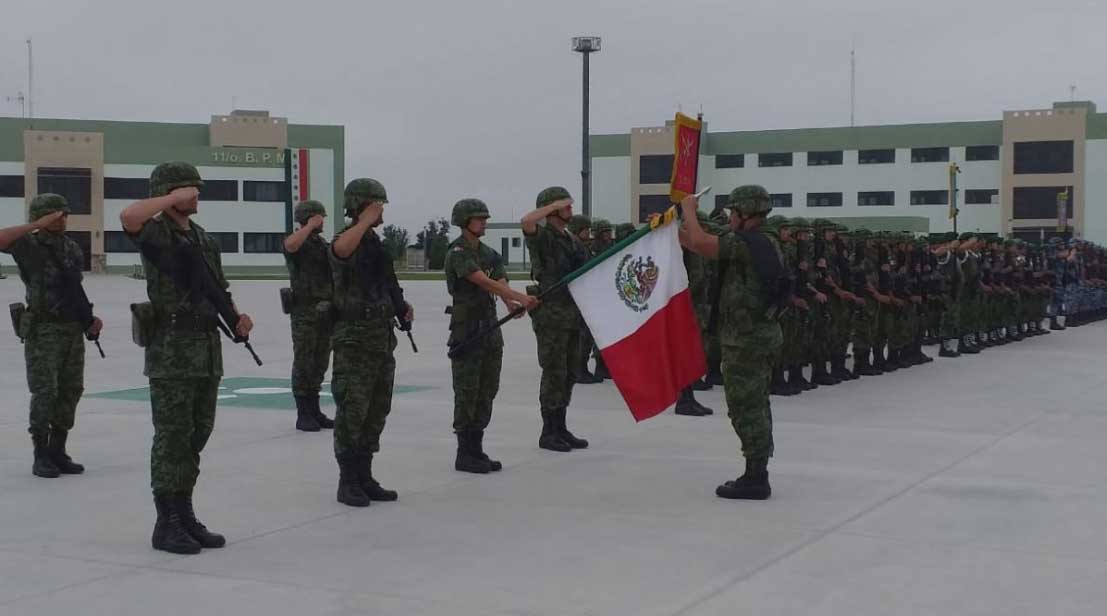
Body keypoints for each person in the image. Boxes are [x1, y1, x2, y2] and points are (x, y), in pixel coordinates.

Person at [120, 162, 254, 554]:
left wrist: (237, 318)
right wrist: (169, 199)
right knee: (172, 436)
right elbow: (128, 217)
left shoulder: (202, 238)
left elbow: (217, 288)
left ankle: (184, 512)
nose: (196, 194)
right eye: (189, 189)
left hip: (206, 348)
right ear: (170, 192)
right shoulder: (156, 231)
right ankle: (167, 523)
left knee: (197, 433)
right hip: (172, 351)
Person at [679, 185, 786, 500]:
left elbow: (702, 242)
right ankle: (757, 470)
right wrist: (673, 231)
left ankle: (756, 477)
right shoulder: (761, 240)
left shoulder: (752, 243)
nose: (729, 217)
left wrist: (688, 209)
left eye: (732, 212)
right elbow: (698, 243)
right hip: (754, 337)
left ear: (745, 212)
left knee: (746, 407)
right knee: (755, 405)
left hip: (747, 341)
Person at [0, 193, 101, 478]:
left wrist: (89, 319)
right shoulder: (28, 245)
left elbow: (74, 289)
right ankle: (41, 453)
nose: (62, 219)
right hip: (44, 329)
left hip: (72, 328)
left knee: (71, 389)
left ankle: (58, 449)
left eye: (65, 214)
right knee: (45, 391)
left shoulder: (72, 247)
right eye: (56, 215)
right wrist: (36, 225)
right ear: (40, 217)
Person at [329, 178, 411, 507]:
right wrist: (363, 220)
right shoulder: (348, 236)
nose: (381, 211)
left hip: (380, 338)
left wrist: (400, 307)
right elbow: (340, 251)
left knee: (377, 410)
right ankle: (347, 480)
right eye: (377, 205)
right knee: (353, 409)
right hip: (354, 339)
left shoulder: (375, 243)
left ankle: (365, 475)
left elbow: (387, 281)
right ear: (361, 205)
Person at [445, 198, 538, 473]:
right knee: (467, 392)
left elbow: (498, 279)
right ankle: (464, 453)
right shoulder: (458, 252)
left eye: (485, 218)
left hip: (490, 330)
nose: (484, 222)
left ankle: (477, 448)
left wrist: (510, 304)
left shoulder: (489, 253)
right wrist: (520, 297)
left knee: (487, 391)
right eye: (479, 218)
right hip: (467, 331)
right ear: (464, 222)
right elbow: (482, 280)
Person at [521, 187, 590, 453]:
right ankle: (548, 432)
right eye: (565, 205)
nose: (570, 208)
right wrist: (552, 206)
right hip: (551, 315)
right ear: (551, 209)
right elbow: (527, 222)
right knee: (554, 372)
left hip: (572, 314)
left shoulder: (572, 239)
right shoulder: (543, 237)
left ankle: (560, 427)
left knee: (570, 372)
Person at [282, 199, 335, 432]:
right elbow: (290, 246)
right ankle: (303, 413)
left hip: (325, 311)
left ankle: (315, 410)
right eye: (319, 217)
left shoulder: (321, 244)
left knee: (320, 361)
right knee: (304, 360)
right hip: (304, 312)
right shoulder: (297, 241)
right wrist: (309, 226)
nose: (323, 221)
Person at [566, 214, 601, 384]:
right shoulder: (573, 246)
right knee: (582, 336)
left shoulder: (582, 246)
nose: (589, 232)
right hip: (576, 299)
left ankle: (581, 368)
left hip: (584, 297)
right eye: (586, 229)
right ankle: (578, 369)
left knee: (585, 335)